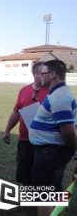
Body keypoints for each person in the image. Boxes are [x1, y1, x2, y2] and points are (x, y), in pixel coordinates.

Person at [29, 60, 76, 216]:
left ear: (53, 74)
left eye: (43, 73)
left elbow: (69, 131)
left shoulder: (60, 97)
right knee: (54, 191)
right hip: (52, 152)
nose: (40, 77)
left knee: (44, 195)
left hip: (50, 153)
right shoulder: (57, 93)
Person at [2, 61, 48, 185]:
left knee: (42, 175)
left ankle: (40, 203)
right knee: (24, 174)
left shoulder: (52, 91)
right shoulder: (24, 90)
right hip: (25, 140)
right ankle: (28, 202)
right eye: (43, 72)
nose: (47, 75)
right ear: (35, 73)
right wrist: (7, 131)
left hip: (44, 142)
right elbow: (16, 112)